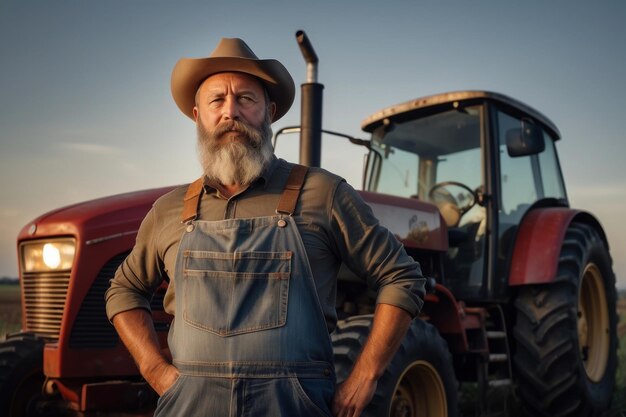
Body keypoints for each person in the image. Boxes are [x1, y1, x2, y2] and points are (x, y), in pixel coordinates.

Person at [105, 37, 426, 417]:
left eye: (246, 99)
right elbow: (123, 291)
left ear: (269, 112)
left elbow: (401, 277)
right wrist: (155, 368)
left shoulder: (323, 193)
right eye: (217, 100)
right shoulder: (169, 211)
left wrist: (365, 376)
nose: (231, 112)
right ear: (197, 115)